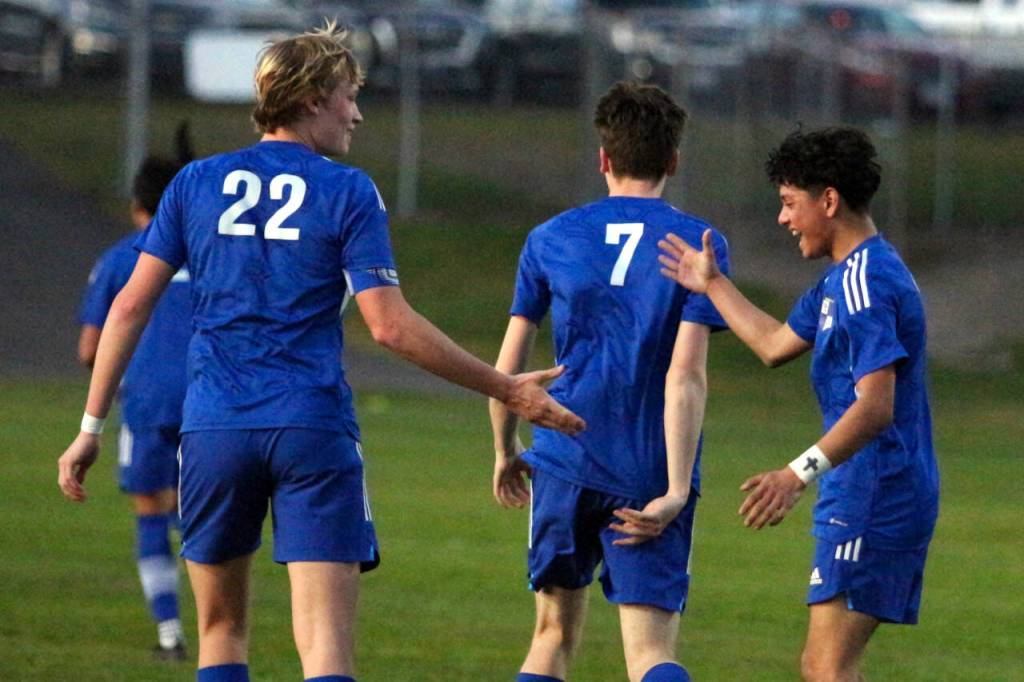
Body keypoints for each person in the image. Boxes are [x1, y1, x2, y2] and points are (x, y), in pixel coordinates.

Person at [57, 23, 583, 682]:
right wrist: (505, 388)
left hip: (215, 427)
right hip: (310, 426)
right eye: (348, 97)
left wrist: (90, 427)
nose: (356, 114)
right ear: (311, 100)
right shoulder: (347, 190)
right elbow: (389, 327)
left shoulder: (195, 183)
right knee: (326, 645)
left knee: (220, 633)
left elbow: (128, 307)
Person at [658, 126, 940, 681]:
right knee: (827, 667)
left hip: (877, 489)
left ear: (828, 200)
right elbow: (774, 343)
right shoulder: (844, 280)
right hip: (865, 485)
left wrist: (795, 474)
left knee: (826, 667)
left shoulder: (866, 283)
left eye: (790, 203)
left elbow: (876, 406)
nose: (783, 218)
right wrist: (712, 284)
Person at [489, 81, 730, 682]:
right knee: (650, 654)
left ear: (604, 158)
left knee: (550, 637)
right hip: (648, 467)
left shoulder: (551, 237)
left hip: (564, 457)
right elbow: (685, 375)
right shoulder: (698, 245)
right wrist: (676, 488)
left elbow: (509, 367)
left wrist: (505, 448)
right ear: (673, 160)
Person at [76, 125, 194, 660]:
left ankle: (170, 634)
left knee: (150, 509)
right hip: (210, 401)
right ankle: (219, 627)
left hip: (146, 400)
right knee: (198, 513)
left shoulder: (121, 259)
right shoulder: (208, 252)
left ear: (136, 206)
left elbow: (89, 349)